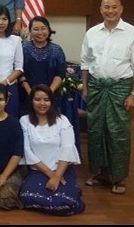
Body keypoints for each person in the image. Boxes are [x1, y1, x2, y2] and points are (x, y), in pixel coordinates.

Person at [80, 0, 134, 195]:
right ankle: (99, 173)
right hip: (97, 88)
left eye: (114, 7)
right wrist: (85, 88)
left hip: (120, 89)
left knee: (118, 134)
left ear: (121, 9)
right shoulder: (92, 33)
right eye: (106, 7)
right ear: (101, 10)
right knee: (96, 131)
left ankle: (118, 177)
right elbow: (85, 63)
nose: (110, 11)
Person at [19, 84, 85, 216]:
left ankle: (73, 193)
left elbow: (67, 149)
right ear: (31, 101)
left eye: (46, 100)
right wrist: (51, 175)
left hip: (62, 171)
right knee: (26, 197)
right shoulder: (24, 121)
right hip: (38, 171)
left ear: (52, 101)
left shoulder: (62, 120)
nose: (42, 103)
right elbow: (27, 151)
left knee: (64, 202)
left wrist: (57, 175)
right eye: (37, 99)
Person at [19, 16, 67, 116]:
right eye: (36, 29)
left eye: (43, 28)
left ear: (48, 30)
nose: (40, 32)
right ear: (30, 31)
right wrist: (30, 92)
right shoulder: (23, 48)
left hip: (51, 96)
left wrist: (48, 93)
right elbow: (19, 71)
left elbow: (60, 73)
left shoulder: (57, 50)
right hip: (26, 95)